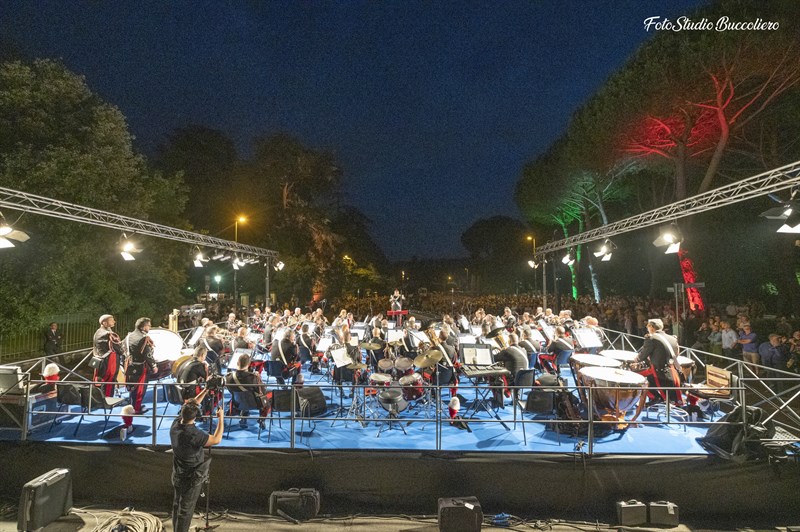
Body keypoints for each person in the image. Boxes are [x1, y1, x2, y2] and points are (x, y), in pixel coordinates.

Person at [170, 391, 223, 532]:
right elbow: (217, 439)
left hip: (178, 475)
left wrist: (206, 389)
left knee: (177, 505)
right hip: (191, 478)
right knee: (185, 510)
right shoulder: (194, 434)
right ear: (196, 416)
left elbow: (191, 404)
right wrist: (221, 418)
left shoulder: (175, 425)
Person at [635, 319, 682, 404]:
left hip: (658, 371)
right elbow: (677, 353)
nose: (647, 327)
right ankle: (657, 397)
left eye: (648, 325)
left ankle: (656, 397)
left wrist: (635, 360)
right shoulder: (672, 338)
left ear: (652, 327)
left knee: (636, 378)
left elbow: (643, 355)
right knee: (649, 379)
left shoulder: (651, 338)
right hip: (672, 369)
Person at [123, 317, 158, 414]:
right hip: (140, 367)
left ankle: (132, 405)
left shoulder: (129, 336)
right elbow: (148, 354)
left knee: (132, 387)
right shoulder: (143, 338)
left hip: (129, 365)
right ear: (143, 327)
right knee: (140, 389)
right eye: (148, 325)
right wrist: (153, 366)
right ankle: (136, 408)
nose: (150, 327)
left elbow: (123, 348)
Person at [226, 353, 268, 428]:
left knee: (244, 395)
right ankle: (262, 419)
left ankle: (243, 416)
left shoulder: (228, 377)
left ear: (237, 363)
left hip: (237, 404)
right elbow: (262, 392)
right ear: (249, 364)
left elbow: (231, 391)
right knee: (267, 398)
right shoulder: (253, 378)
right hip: (254, 404)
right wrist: (259, 379)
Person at [93, 314, 123, 397]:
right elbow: (119, 349)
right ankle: (107, 400)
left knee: (101, 380)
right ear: (104, 323)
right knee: (110, 380)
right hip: (110, 361)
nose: (114, 321)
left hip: (99, 359)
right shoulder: (109, 334)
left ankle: (100, 399)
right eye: (111, 320)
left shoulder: (97, 332)